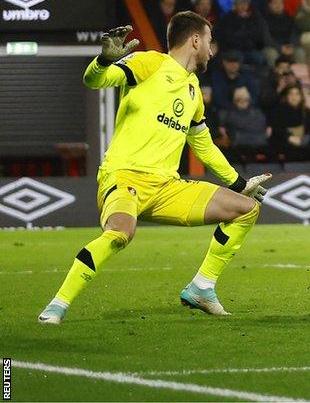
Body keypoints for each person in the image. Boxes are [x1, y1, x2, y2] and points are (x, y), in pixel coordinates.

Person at [38, 18, 272, 324]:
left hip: (166, 188)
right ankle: (57, 305)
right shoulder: (150, 63)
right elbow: (95, 80)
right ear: (195, 41)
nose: (212, 52)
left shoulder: (193, 91)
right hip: (124, 177)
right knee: (121, 233)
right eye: (209, 40)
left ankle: (202, 287)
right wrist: (102, 61)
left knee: (245, 209)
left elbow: (203, 146)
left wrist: (238, 183)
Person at [269, 85, 310, 163]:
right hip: (284, 142)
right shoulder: (278, 111)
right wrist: (289, 138)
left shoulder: (306, 112)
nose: (294, 97)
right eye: (291, 94)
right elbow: (277, 129)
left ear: (301, 97)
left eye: (297, 94)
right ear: (287, 97)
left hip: (302, 141)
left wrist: (303, 141)